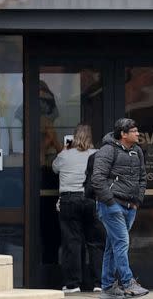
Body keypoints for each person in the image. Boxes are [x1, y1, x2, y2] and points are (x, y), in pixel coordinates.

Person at [91, 118, 149, 299]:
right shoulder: (107, 150)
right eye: (134, 131)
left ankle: (107, 286)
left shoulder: (137, 151)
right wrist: (110, 202)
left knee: (113, 246)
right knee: (122, 242)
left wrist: (137, 200)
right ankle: (128, 282)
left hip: (130, 206)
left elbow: (142, 177)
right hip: (112, 206)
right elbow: (97, 179)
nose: (137, 133)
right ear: (123, 134)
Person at [52, 124, 104, 294]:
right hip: (90, 200)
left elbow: (54, 168)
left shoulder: (65, 154)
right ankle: (99, 282)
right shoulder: (96, 154)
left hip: (69, 200)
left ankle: (73, 284)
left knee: (71, 242)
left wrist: (65, 149)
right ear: (91, 137)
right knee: (95, 242)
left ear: (73, 137)